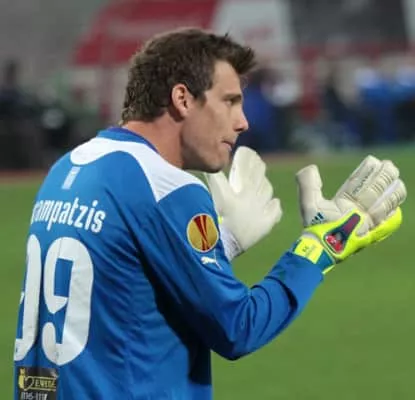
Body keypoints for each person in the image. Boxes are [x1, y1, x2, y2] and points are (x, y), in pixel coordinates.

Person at [13, 28, 406, 400]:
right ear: (183, 99)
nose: (243, 121)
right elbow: (238, 328)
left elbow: (124, 286)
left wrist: (223, 244)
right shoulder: (167, 188)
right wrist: (322, 245)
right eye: (230, 101)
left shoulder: (68, 168)